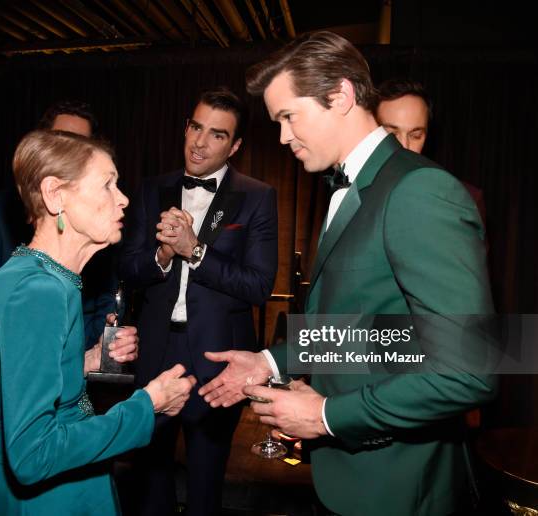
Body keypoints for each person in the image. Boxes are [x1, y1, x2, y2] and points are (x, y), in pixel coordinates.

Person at [198, 32, 496, 515]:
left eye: (289, 117)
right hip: (350, 482)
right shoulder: (358, 187)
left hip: (400, 488)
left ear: (340, 96)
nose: (282, 137)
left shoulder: (418, 191)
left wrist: (326, 415)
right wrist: (270, 363)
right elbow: (379, 333)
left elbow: (469, 371)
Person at [0, 130, 196, 515]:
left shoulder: (38, 276)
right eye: (108, 184)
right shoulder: (41, 292)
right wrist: (148, 404)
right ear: (56, 195)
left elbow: (20, 384)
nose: (123, 198)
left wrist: (88, 360)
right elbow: (33, 454)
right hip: (47, 501)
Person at [119, 88, 278, 516]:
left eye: (217, 134)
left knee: (206, 487)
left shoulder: (257, 196)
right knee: (149, 483)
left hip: (218, 359)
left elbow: (259, 286)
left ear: (236, 145)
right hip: (154, 352)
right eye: (195, 127)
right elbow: (129, 271)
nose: (199, 142)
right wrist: (163, 255)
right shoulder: (152, 189)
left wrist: (195, 250)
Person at [0, 100, 118, 350]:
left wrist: (83, 350)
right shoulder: (1, 207)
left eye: (81, 144)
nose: (72, 151)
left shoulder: (99, 217)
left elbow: (105, 295)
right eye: (63, 140)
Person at [376, 78, 487, 225]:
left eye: (416, 136)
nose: (403, 145)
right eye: (391, 134)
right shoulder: (349, 192)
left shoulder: (461, 200)